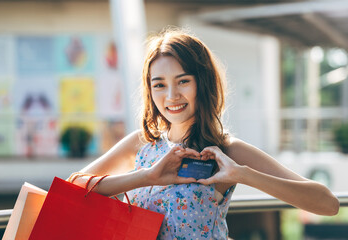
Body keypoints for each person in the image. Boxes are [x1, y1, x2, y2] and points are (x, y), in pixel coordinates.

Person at [70, 28, 339, 239]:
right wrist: (146, 176)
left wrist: (243, 175)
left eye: (183, 81)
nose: (171, 96)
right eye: (159, 85)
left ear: (203, 81)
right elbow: (73, 186)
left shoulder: (227, 151)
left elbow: (327, 204)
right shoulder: (143, 143)